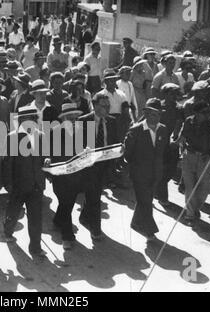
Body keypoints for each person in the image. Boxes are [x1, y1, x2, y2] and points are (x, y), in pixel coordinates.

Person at [2, 106, 48, 258]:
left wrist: (47, 160)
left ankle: (35, 247)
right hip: (19, 185)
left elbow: (45, 157)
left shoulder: (41, 136)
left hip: (36, 185)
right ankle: (8, 230)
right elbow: (7, 164)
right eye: (27, 119)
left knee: (36, 217)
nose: (30, 122)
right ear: (20, 121)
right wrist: (8, 184)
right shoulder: (12, 138)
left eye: (33, 119)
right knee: (13, 212)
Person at [124, 98, 169, 241]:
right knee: (146, 202)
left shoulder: (163, 129)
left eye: (158, 114)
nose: (155, 118)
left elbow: (163, 150)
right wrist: (135, 168)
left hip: (156, 173)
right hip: (139, 173)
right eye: (152, 114)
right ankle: (150, 231)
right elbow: (128, 153)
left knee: (147, 199)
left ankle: (136, 222)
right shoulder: (135, 130)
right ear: (147, 114)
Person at [78, 93, 118, 240]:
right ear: (94, 106)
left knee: (94, 194)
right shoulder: (83, 121)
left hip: (105, 165)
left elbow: (114, 141)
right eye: (103, 106)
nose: (107, 109)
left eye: (108, 106)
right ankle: (96, 229)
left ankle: (84, 217)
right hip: (89, 165)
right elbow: (77, 145)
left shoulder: (112, 121)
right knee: (94, 197)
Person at [175, 101, 210, 227]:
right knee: (190, 187)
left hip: (204, 158)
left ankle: (195, 208)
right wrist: (176, 144)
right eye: (204, 112)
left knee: (205, 188)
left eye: (208, 112)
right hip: (189, 156)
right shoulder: (189, 121)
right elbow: (182, 137)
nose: (207, 115)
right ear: (196, 113)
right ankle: (189, 215)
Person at [48, 102, 84, 249]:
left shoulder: (81, 130)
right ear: (63, 118)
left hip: (76, 175)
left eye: (75, 116)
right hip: (61, 175)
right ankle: (67, 237)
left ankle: (57, 220)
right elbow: (51, 154)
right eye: (70, 117)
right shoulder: (55, 132)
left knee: (67, 203)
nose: (73, 119)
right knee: (66, 201)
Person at [154, 84, 184, 206]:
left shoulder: (178, 108)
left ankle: (158, 189)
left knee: (170, 171)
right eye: (172, 94)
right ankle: (162, 196)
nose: (174, 96)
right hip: (159, 143)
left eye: (176, 94)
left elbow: (181, 124)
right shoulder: (158, 106)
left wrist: (177, 139)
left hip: (172, 143)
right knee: (161, 170)